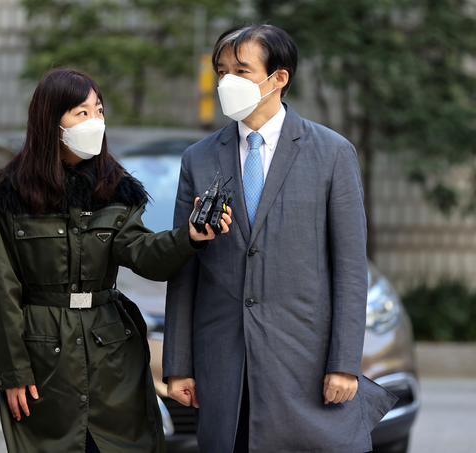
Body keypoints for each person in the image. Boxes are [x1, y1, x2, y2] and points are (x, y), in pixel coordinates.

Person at [163, 23, 397, 453]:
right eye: (221, 71)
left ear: (279, 78)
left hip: (303, 364)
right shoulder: (198, 158)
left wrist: (344, 365)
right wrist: (178, 365)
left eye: (242, 70)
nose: (227, 81)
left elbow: (349, 268)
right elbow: (184, 269)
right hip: (224, 362)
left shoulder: (332, 153)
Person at [0, 68, 231, 453]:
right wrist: (13, 371)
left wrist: (190, 237)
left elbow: (142, 253)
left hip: (112, 354)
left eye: (99, 110)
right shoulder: (9, 193)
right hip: (44, 361)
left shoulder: (115, 187)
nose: (95, 121)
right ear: (51, 121)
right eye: (81, 113)